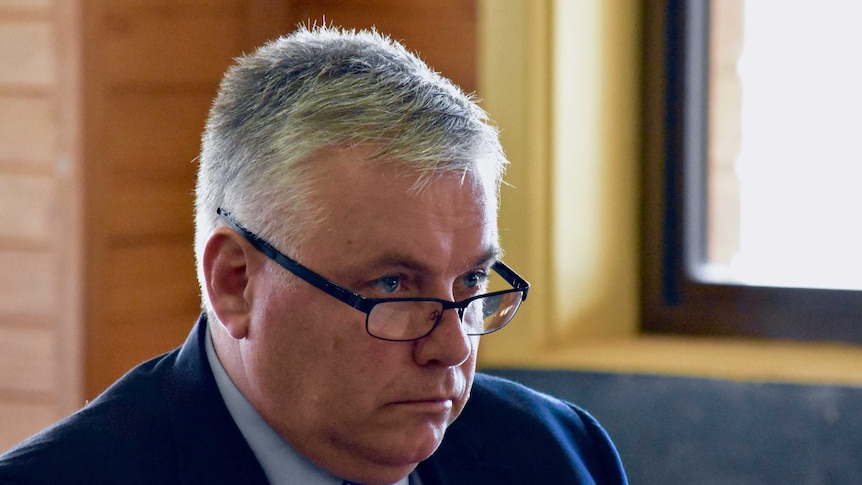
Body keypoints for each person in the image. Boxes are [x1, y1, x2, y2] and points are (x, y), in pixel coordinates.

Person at [0, 26, 627, 484]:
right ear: (235, 283)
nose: (454, 347)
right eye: (392, 285)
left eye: (469, 282)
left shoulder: (558, 455)